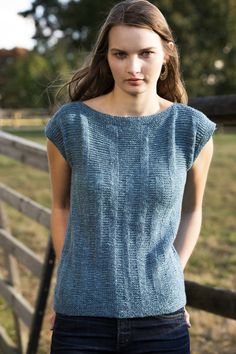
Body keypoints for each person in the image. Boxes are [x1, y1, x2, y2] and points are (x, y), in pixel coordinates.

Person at [45, 0, 217, 353]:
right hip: (81, 321)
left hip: (161, 322)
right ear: (106, 57)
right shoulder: (71, 125)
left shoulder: (191, 129)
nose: (133, 67)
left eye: (146, 53)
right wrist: (71, 281)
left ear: (167, 53)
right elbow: (60, 208)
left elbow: (191, 211)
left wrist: (171, 274)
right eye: (120, 54)